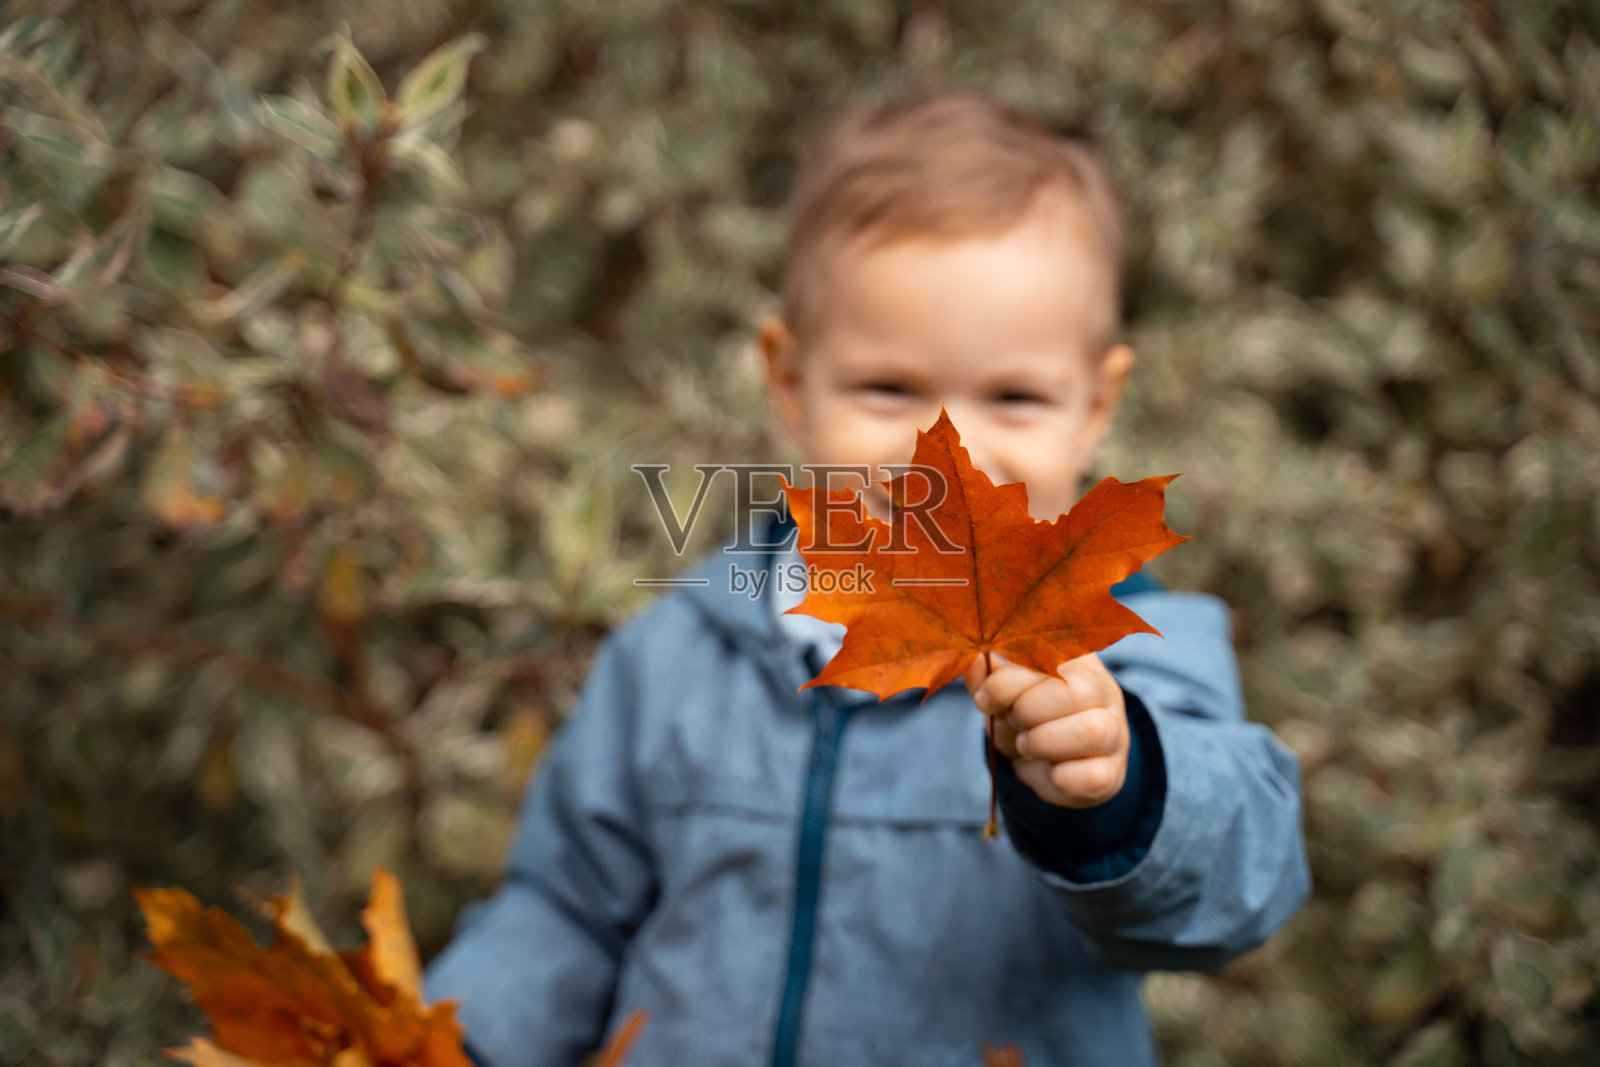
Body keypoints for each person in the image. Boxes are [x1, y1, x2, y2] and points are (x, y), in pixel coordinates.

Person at [424, 88, 1311, 1067]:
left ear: (1096, 404)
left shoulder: (1123, 647)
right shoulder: (678, 650)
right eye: (889, 388)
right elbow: (567, 907)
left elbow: (1238, 885)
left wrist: (1116, 786)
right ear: (790, 381)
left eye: (1013, 396)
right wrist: (450, 1042)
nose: (949, 453)